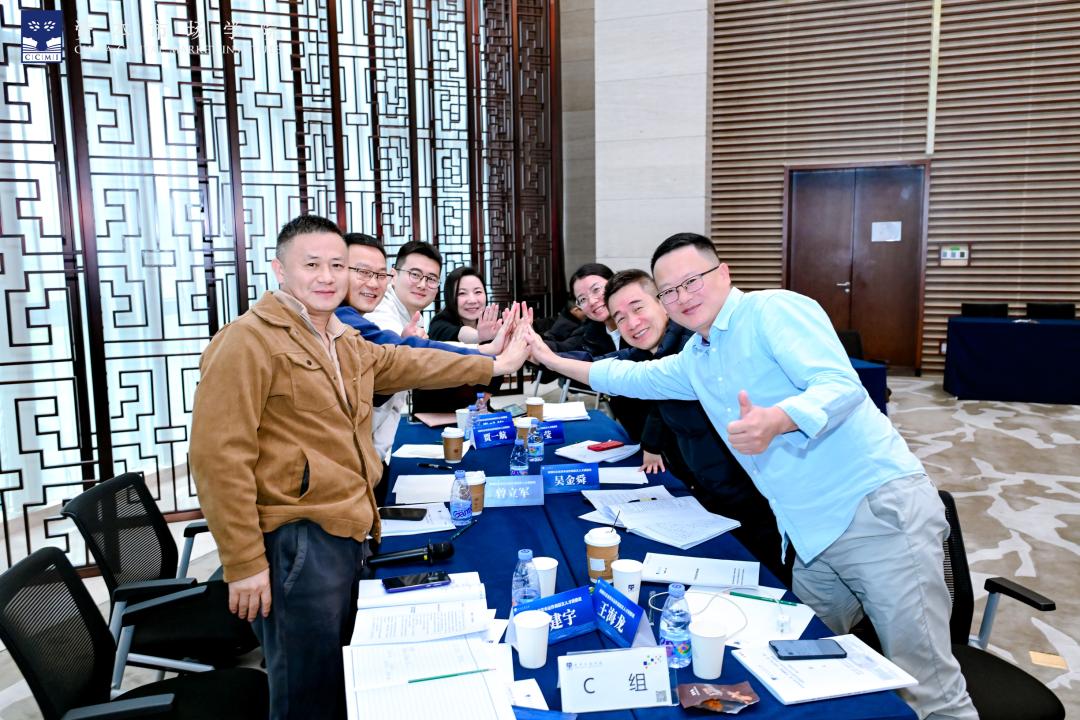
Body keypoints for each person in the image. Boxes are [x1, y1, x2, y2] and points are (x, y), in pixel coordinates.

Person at [526, 233, 976, 720]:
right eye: (670, 290)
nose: (682, 297)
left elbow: (839, 384)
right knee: (800, 656)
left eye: (692, 281)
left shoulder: (772, 311)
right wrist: (548, 359)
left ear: (723, 273)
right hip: (810, 535)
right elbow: (629, 377)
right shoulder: (699, 357)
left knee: (928, 687)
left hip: (875, 514)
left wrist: (779, 418)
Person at [189, 215, 529, 720]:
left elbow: (408, 361)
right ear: (280, 270)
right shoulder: (247, 341)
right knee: (308, 690)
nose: (327, 277)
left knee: (339, 674)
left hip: (350, 525)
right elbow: (219, 458)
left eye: (337, 265)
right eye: (312, 265)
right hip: (297, 537)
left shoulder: (340, 337)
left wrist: (492, 364)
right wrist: (243, 563)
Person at [601, 269, 789, 584]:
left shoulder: (696, 347)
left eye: (638, 308)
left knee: (767, 576)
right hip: (707, 487)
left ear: (663, 302)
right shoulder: (655, 353)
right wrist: (652, 445)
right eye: (620, 318)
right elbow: (650, 396)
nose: (632, 323)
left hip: (750, 493)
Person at [428, 265, 502, 344]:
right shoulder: (439, 323)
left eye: (478, 292)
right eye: (462, 293)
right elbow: (458, 333)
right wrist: (479, 336)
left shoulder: (493, 323)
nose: (472, 300)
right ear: (450, 297)